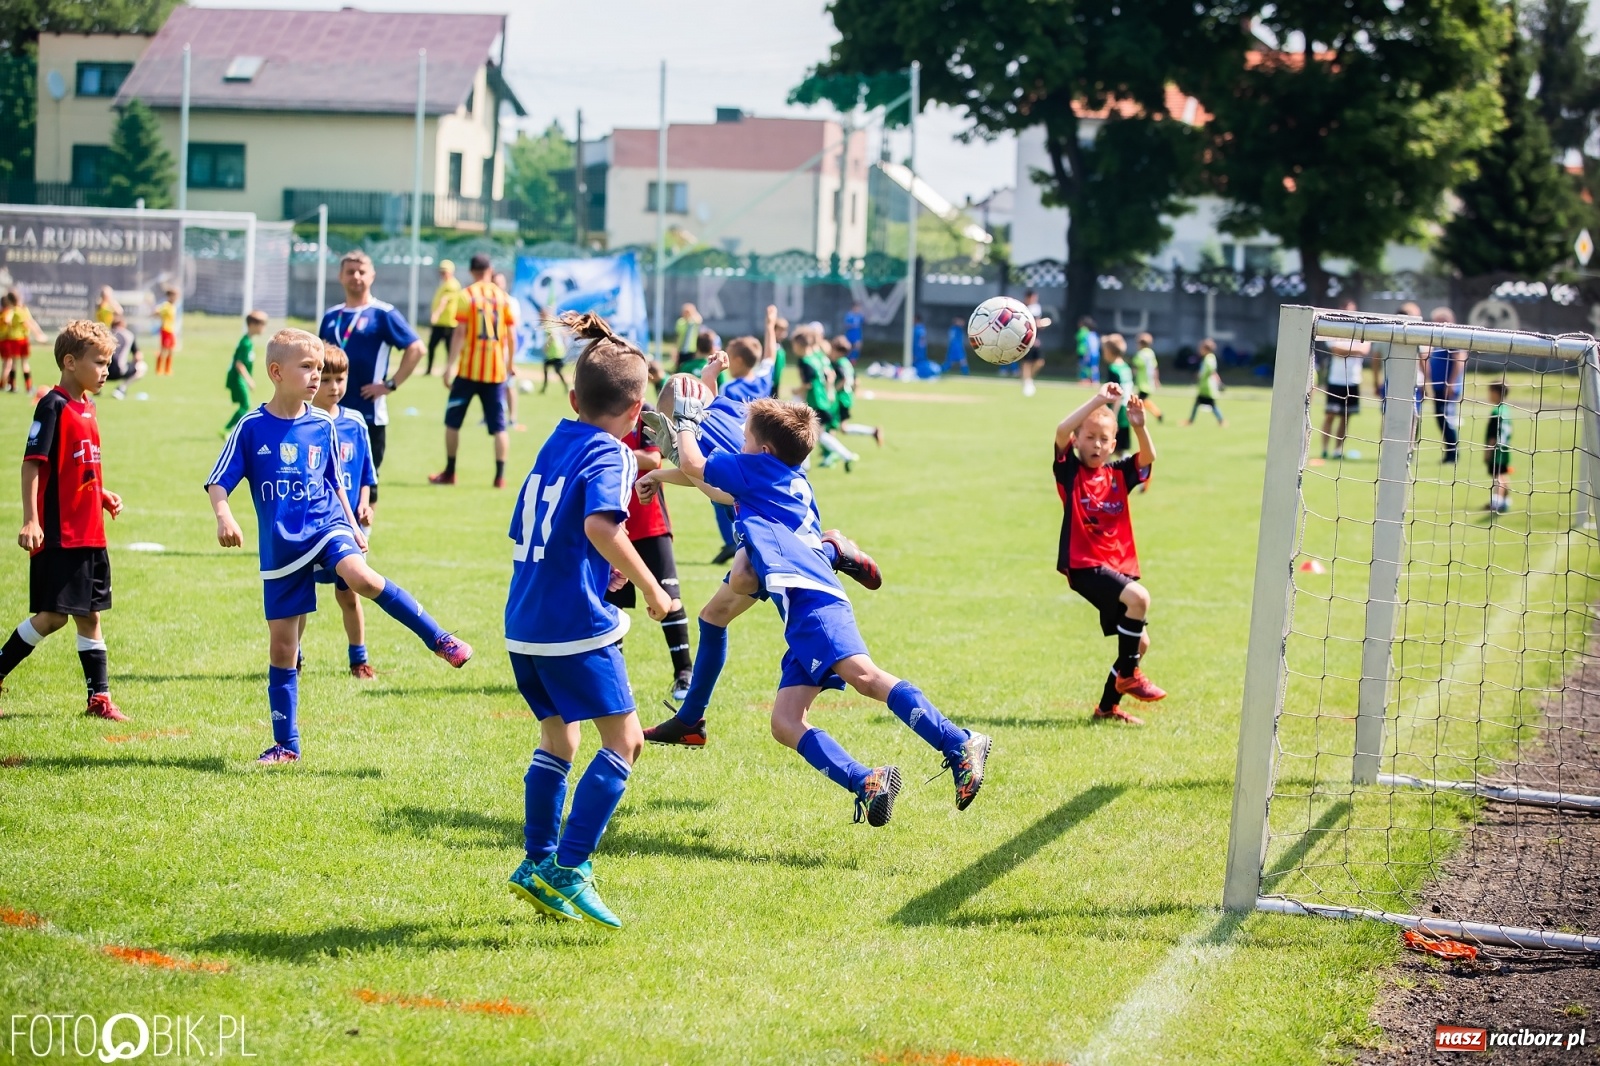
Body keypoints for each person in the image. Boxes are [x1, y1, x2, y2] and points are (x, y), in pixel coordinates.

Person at [667, 389, 992, 824]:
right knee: (785, 722)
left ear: (761, 451)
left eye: (744, 439)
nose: (739, 446)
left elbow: (695, 464)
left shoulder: (757, 467)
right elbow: (719, 489)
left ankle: (958, 741)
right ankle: (868, 781)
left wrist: (686, 423)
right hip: (803, 601)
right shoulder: (791, 476)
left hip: (811, 600)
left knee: (866, 677)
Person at [206, 328, 472, 765]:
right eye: (307, 368)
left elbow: (334, 481)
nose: (316, 377)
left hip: (326, 524)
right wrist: (225, 515)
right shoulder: (252, 427)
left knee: (361, 578)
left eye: (319, 369)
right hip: (281, 546)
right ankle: (286, 746)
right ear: (276, 373)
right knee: (282, 648)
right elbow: (219, 480)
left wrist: (352, 525)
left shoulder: (323, 424)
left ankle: (440, 639)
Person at [503, 312, 679, 930]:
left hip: (522, 620)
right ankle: (570, 869)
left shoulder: (557, 437)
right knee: (625, 741)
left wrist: (603, 569)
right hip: (571, 624)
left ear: (573, 398)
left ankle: (536, 863)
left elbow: (556, 526)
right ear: (637, 414)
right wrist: (653, 588)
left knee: (560, 738)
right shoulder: (613, 454)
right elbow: (600, 525)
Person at [637, 364, 883, 749]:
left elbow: (716, 483)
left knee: (740, 582)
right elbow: (711, 471)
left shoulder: (695, 429)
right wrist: (662, 473)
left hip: (768, 539)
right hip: (783, 519)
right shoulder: (732, 409)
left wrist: (675, 450)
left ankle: (831, 550)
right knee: (714, 615)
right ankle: (689, 721)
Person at [0, 322, 127, 721]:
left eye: (108, 362)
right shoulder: (51, 405)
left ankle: (99, 699)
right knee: (54, 616)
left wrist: (100, 494)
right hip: (61, 532)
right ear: (70, 362)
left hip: (90, 532)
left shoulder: (88, 405)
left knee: (90, 615)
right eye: (99, 362)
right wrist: (31, 520)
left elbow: (80, 464)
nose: (106, 369)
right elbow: (33, 465)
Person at [1054, 382, 1165, 725]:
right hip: (1084, 565)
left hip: (1116, 566)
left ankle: (1107, 707)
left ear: (1113, 444)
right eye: (1089, 437)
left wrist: (1140, 426)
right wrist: (1100, 400)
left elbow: (1149, 458)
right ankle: (1129, 677)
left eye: (1104, 439)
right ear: (1077, 439)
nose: (1096, 445)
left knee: (1139, 643)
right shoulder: (1070, 473)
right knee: (1139, 599)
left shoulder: (1118, 474)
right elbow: (1060, 430)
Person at [317, 250, 426, 509]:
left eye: (361, 271)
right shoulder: (331, 316)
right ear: (340, 276)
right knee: (324, 478)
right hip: (328, 414)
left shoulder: (383, 314)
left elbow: (416, 348)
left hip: (367, 415)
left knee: (367, 481)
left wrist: (389, 384)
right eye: (350, 271)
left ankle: (362, 541)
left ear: (372, 276)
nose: (356, 276)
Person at [605, 399, 694, 700]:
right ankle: (613, 680)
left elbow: (652, 459)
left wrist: (611, 452)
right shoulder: (594, 415)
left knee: (669, 600)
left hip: (649, 522)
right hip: (610, 524)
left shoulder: (641, 414)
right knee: (610, 604)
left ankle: (684, 674)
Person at [306, 342, 380, 679]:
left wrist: (365, 504)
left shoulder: (356, 423)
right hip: (308, 525)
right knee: (299, 598)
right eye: (326, 380)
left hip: (346, 526)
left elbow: (366, 474)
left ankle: (358, 659)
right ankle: (293, 658)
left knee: (349, 594)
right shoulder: (301, 422)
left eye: (341, 379)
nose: (334, 387)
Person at [431, 254, 515, 488]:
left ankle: (450, 471)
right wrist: (510, 365)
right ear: (490, 269)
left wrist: (449, 367)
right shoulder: (503, 298)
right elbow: (511, 335)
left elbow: (459, 333)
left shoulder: (466, 296)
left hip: (468, 371)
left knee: (453, 422)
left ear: (470, 271)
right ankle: (499, 477)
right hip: (496, 372)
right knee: (499, 426)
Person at [1318, 299, 1372, 463]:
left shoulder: (1362, 329)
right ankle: (1324, 449)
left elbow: (1364, 350)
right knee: (1330, 415)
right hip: (1336, 380)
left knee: (1346, 417)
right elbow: (1335, 349)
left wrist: (1348, 351)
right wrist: (1353, 350)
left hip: (1353, 381)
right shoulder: (1334, 328)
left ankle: (1337, 450)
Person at [1426, 306, 1467, 463]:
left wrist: (1450, 383)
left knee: (1446, 419)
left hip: (1448, 387)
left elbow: (1459, 360)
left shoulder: (1453, 336)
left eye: (1437, 321)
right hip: (1438, 386)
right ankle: (1449, 453)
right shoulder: (1439, 337)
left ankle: (1453, 454)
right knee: (1440, 418)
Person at [829, 335, 883, 446]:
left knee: (831, 425)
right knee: (840, 428)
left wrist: (833, 390)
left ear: (837, 351)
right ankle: (872, 432)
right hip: (847, 397)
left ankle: (831, 453)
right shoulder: (847, 363)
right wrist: (853, 393)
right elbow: (857, 382)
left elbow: (844, 379)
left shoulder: (838, 363)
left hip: (840, 398)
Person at [225, 311, 268, 433]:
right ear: (252, 325)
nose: (264, 328)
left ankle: (231, 430)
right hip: (238, 378)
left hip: (240, 378)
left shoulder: (248, 341)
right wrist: (249, 380)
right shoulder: (245, 343)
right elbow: (239, 364)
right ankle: (226, 430)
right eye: (262, 324)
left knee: (245, 405)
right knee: (245, 404)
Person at [3, 288, 46, 393]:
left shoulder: (14, 311)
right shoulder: (23, 309)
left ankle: (12, 386)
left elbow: (24, 322)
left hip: (14, 340)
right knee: (24, 363)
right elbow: (29, 322)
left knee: (14, 363)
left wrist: (38, 334)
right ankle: (29, 387)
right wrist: (39, 334)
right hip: (23, 340)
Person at [426, 260, 463, 376]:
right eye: (441, 272)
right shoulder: (445, 284)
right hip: (440, 323)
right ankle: (429, 369)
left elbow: (444, 301)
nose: (442, 274)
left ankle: (448, 370)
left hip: (448, 322)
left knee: (449, 349)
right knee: (432, 346)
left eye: (444, 272)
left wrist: (436, 314)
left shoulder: (452, 285)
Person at [1102, 333, 1134, 455]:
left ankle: (1106, 473)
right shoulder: (1125, 367)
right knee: (1119, 449)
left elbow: (1117, 395)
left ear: (1109, 351)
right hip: (1126, 411)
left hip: (1117, 412)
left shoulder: (1113, 369)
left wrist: (1112, 416)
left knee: (1107, 447)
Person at [1485, 381, 1512, 514]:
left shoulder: (1496, 411)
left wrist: (1488, 451)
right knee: (1503, 475)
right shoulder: (1506, 410)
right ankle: (1506, 501)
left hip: (1496, 450)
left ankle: (1496, 502)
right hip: (1505, 449)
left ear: (1495, 393)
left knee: (1497, 477)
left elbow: (1493, 435)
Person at [1020, 291, 1053, 397]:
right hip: (1026, 339)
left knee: (1039, 362)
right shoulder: (1022, 308)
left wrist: (1042, 324)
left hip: (1036, 339)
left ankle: (1028, 380)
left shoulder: (1036, 308)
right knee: (1027, 362)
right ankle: (1026, 383)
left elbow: (1036, 323)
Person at [1185, 338, 1225, 426]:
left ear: (1206, 349)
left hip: (1207, 386)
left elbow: (1209, 371)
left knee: (1212, 405)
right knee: (1199, 404)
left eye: (1201, 348)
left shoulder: (1209, 358)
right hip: (1205, 386)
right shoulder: (1209, 358)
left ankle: (1221, 421)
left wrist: (1199, 375)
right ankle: (1191, 421)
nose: (1200, 349)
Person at [106, 313, 145, 401]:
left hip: (102, 372)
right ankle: (121, 388)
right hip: (119, 371)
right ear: (123, 324)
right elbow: (138, 356)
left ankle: (96, 390)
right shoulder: (129, 335)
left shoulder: (106, 334)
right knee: (142, 366)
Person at [1131, 332, 1162, 421]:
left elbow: (1135, 366)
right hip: (1150, 381)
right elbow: (1155, 367)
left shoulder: (1140, 354)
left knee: (1139, 401)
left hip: (1142, 382)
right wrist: (1156, 380)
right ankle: (1158, 414)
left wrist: (1132, 376)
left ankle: (1145, 417)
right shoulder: (1151, 353)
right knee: (1142, 400)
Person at [540, 309, 569, 394]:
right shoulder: (554, 324)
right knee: (547, 368)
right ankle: (544, 388)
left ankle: (565, 387)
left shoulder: (548, 325)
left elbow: (551, 336)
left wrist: (546, 346)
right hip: (556, 352)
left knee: (557, 371)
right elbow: (564, 334)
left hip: (555, 352)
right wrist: (565, 345)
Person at [154, 286, 179, 376]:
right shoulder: (166, 305)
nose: (176, 298)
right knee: (163, 350)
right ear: (170, 296)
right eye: (175, 296)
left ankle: (167, 369)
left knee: (171, 350)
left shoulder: (173, 306)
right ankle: (158, 369)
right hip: (165, 330)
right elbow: (156, 311)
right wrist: (158, 314)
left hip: (171, 330)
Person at [1075, 315, 1100, 387]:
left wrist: (1086, 353)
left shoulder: (1084, 332)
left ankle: (1085, 379)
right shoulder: (1094, 334)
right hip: (1095, 354)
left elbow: (1082, 341)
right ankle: (1094, 380)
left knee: (1084, 367)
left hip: (1086, 353)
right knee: (1094, 367)